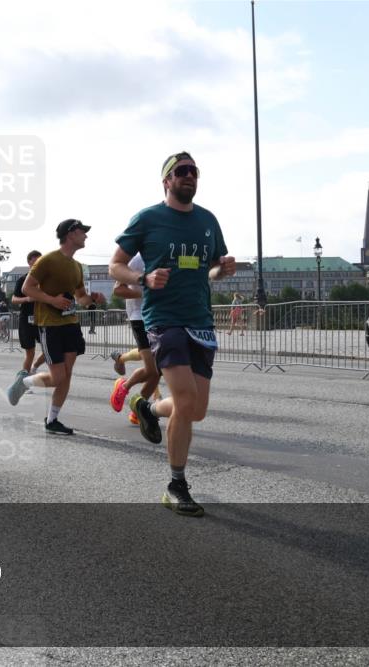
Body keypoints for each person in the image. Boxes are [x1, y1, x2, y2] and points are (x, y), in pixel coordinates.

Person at [109, 151, 235, 518]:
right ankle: (176, 484)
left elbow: (210, 269)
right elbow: (114, 265)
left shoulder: (208, 221)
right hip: (163, 320)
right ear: (166, 180)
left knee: (195, 410)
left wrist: (221, 271)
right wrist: (142, 278)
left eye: (193, 171)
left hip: (200, 320)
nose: (189, 177)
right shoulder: (149, 219)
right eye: (181, 172)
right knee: (184, 396)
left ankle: (146, 406)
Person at [6, 219, 106, 434]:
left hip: (70, 324)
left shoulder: (77, 266)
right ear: (70, 234)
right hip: (49, 325)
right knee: (57, 377)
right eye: (82, 232)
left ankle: (52, 420)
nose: (86, 236)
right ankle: (25, 382)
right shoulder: (48, 260)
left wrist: (93, 299)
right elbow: (27, 288)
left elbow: (80, 299)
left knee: (67, 375)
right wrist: (52, 300)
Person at [107, 253, 162, 425]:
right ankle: (124, 388)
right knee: (153, 370)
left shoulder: (169, 253)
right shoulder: (137, 260)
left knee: (157, 370)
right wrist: (146, 291)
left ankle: (138, 411)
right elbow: (118, 290)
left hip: (162, 318)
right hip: (140, 317)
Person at [11, 250, 46, 378]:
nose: (39, 264)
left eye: (41, 261)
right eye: (36, 261)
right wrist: (27, 299)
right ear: (29, 262)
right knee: (30, 353)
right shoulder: (22, 280)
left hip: (43, 319)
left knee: (50, 350)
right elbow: (14, 299)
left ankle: (34, 368)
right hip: (27, 320)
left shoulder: (46, 280)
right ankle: (24, 382)